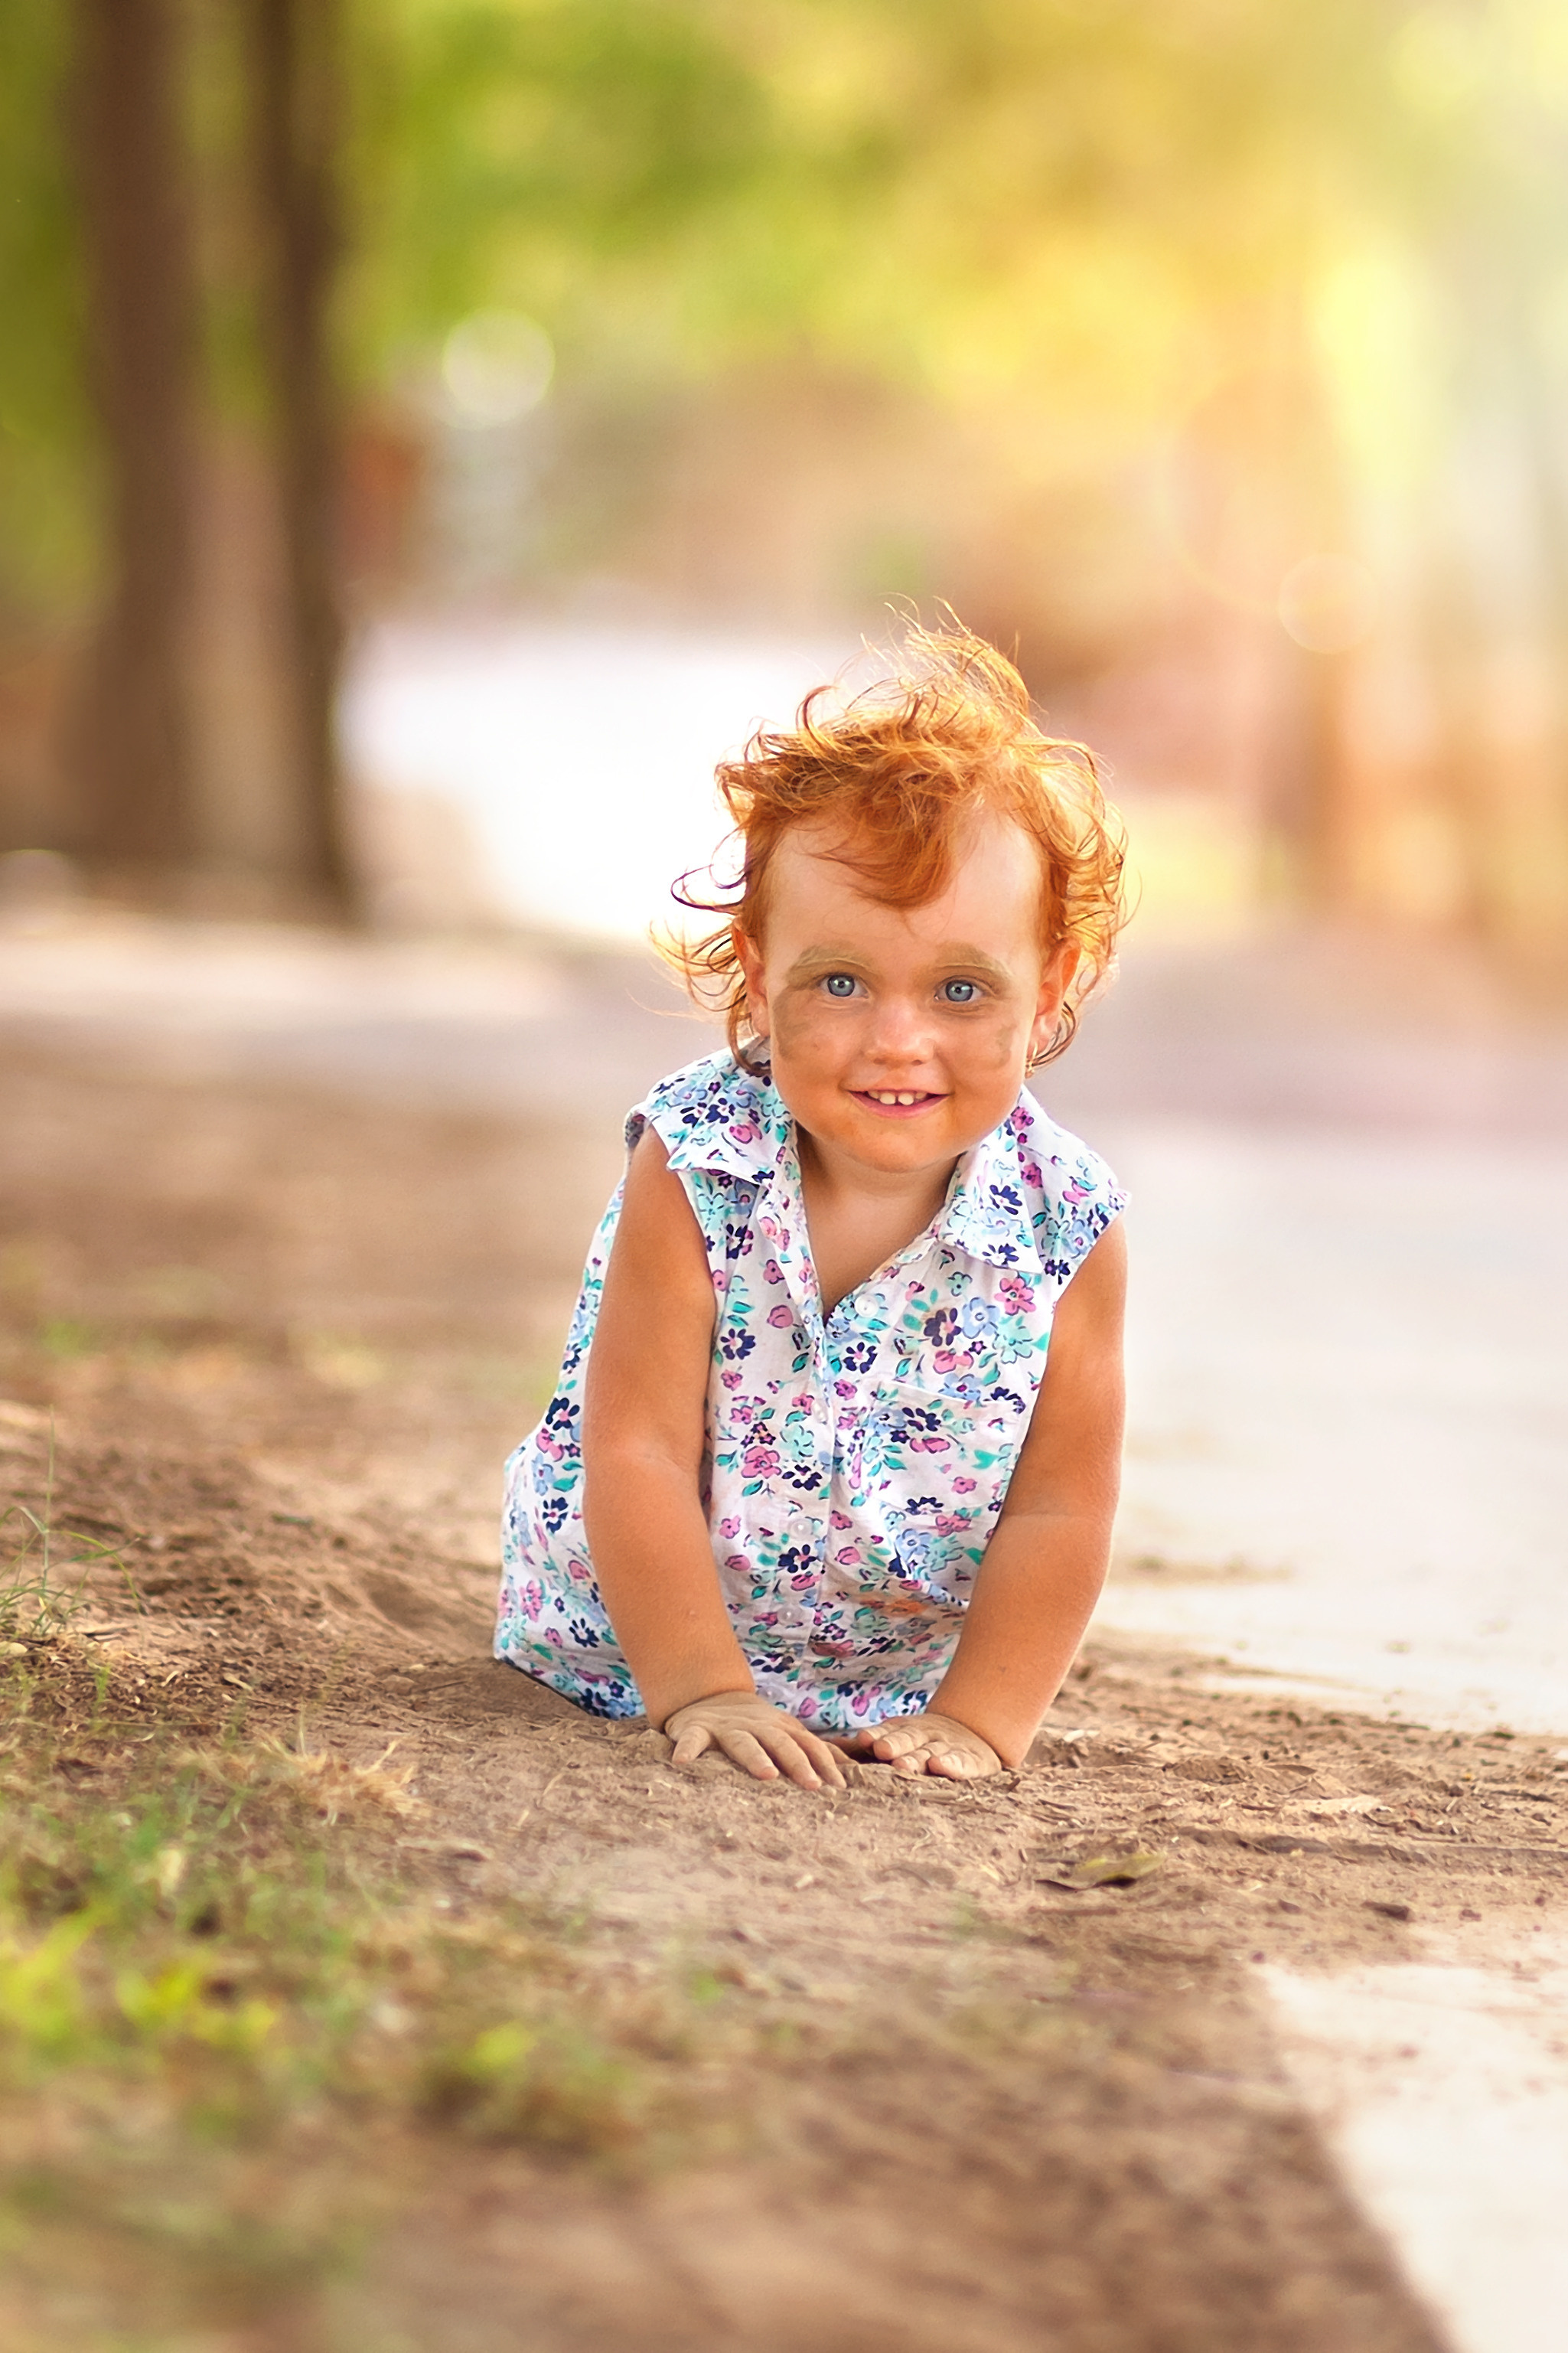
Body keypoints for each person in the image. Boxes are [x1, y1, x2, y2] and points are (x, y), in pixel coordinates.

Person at [496, 624, 1129, 1789]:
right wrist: (703, 1686)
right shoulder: (699, 1163)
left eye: (959, 988)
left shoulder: (1065, 1223)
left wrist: (979, 1721)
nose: (898, 1040)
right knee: (663, 1613)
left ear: (1052, 988)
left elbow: (1059, 1506)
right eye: (838, 980)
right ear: (755, 969)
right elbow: (632, 1445)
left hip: (888, 1695)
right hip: (624, 1651)